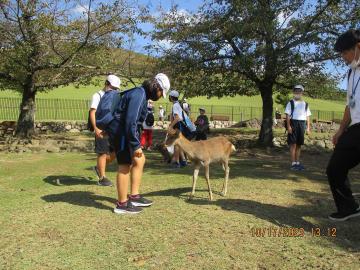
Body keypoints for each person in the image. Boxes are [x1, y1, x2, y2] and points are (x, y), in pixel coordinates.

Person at [107, 73, 170, 214]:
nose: (160, 96)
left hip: (123, 132)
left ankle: (134, 196)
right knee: (124, 166)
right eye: (161, 92)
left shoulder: (140, 93)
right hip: (121, 133)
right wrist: (136, 145)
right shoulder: (139, 95)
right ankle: (121, 204)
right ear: (156, 87)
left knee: (140, 160)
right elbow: (131, 121)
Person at [326, 29, 360, 221]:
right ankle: (348, 207)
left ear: (358, 46)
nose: (343, 58)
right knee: (335, 168)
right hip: (355, 128)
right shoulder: (350, 74)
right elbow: (350, 104)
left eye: (345, 53)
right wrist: (340, 130)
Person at [89, 75, 119, 186]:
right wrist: (96, 128)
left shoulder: (115, 96)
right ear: (106, 83)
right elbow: (92, 112)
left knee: (114, 153)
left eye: (116, 88)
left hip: (112, 129)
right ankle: (102, 178)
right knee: (102, 152)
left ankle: (98, 167)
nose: (114, 90)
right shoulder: (97, 95)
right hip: (101, 128)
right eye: (113, 87)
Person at [285, 85, 311, 171]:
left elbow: (307, 117)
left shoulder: (305, 104)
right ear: (293, 92)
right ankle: (293, 164)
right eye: (296, 92)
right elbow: (287, 116)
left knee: (299, 145)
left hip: (302, 125)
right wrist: (288, 126)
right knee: (293, 144)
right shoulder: (290, 103)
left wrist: (308, 128)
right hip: (293, 124)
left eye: (299, 92)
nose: (297, 93)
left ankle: (297, 163)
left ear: (302, 93)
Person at [168, 90, 188, 168]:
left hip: (178, 125)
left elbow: (177, 118)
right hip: (179, 126)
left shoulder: (175, 105)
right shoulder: (177, 104)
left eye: (169, 96)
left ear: (171, 97)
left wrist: (170, 126)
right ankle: (183, 161)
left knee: (176, 144)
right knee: (179, 144)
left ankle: (176, 163)